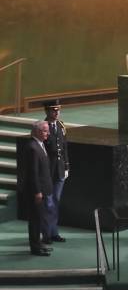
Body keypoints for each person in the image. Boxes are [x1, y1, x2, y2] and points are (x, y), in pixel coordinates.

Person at [21, 121, 53, 256]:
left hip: (43, 190)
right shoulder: (32, 147)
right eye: (46, 131)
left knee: (39, 218)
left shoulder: (39, 145)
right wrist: (37, 191)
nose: (48, 133)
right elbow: (33, 173)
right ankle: (35, 247)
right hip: (36, 192)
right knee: (35, 219)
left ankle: (39, 244)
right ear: (38, 131)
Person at [41, 99, 69, 245]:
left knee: (55, 202)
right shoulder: (43, 127)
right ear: (46, 111)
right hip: (48, 172)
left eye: (58, 110)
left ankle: (54, 232)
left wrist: (66, 167)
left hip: (59, 171)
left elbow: (64, 148)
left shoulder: (61, 126)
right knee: (48, 203)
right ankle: (46, 234)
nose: (56, 112)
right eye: (53, 110)